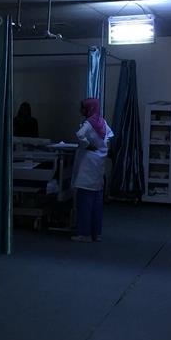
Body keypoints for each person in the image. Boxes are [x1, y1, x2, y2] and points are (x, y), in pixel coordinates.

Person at [71, 98, 114, 243]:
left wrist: (87, 144)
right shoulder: (102, 122)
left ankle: (84, 234)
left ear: (88, 109)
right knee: (96, 202)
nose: (80, 110)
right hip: (99, 164)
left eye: (82, 108)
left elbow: (79, 135)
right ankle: (96, 233)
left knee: (84, 201)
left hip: (88, 164)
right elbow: (109, 137)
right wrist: (100, 146)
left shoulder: (88, 123)